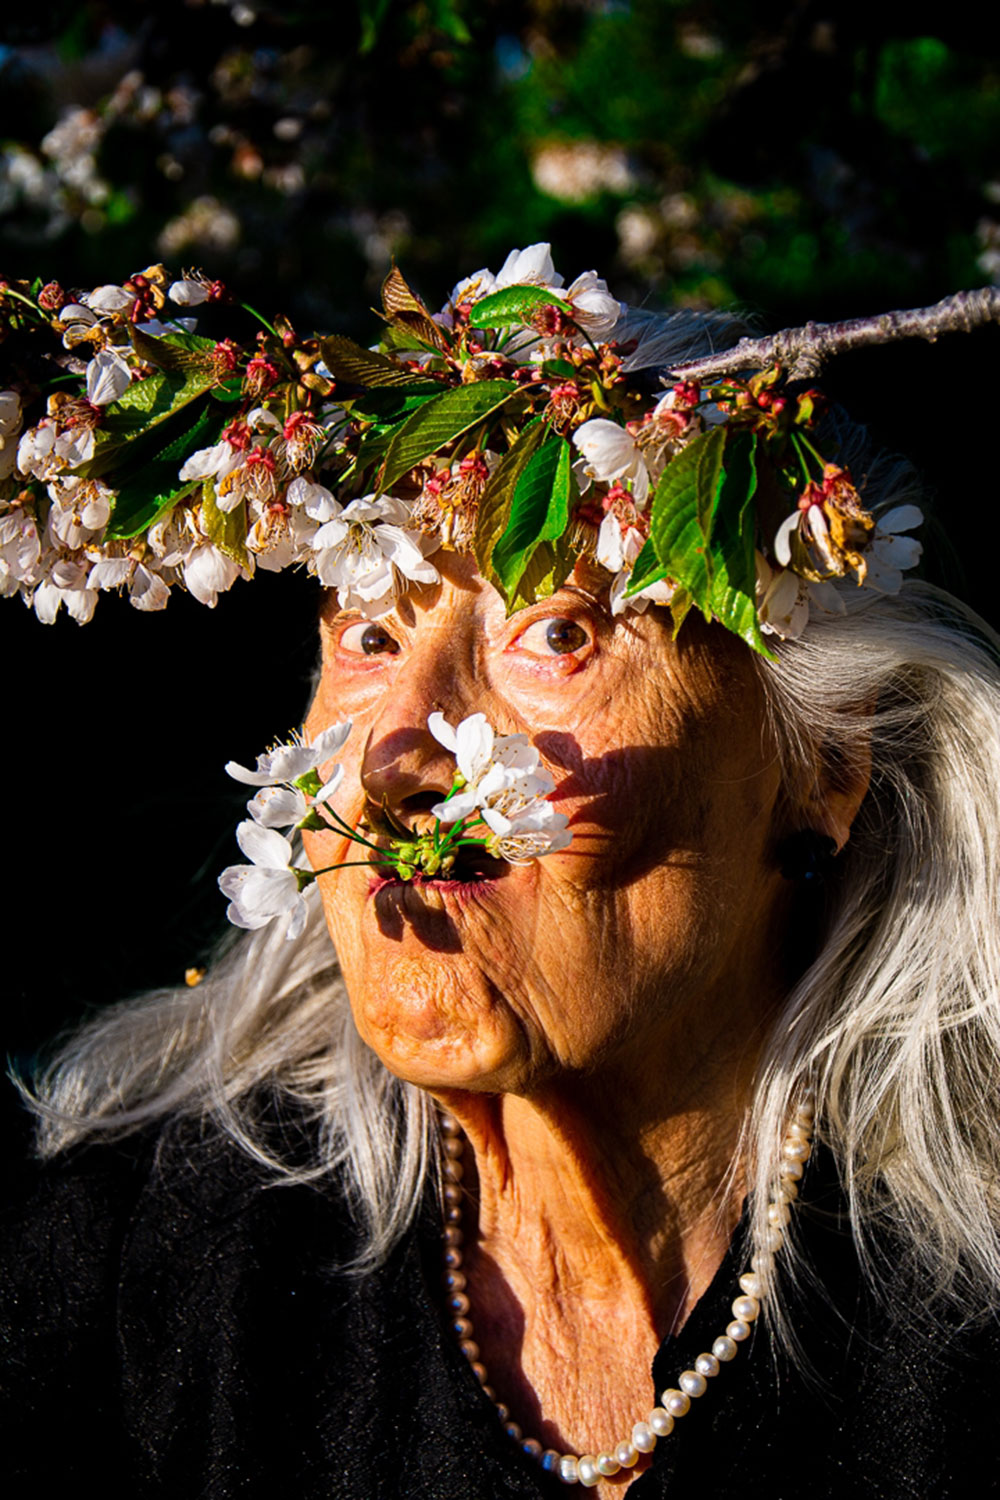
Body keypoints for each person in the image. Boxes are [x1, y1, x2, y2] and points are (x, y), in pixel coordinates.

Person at [3, 248, 1000, 1497]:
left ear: (825, 771)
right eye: (370, 635)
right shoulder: (137, 1270)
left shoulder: (956, 1336)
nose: (394, 755)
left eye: (558, 633)